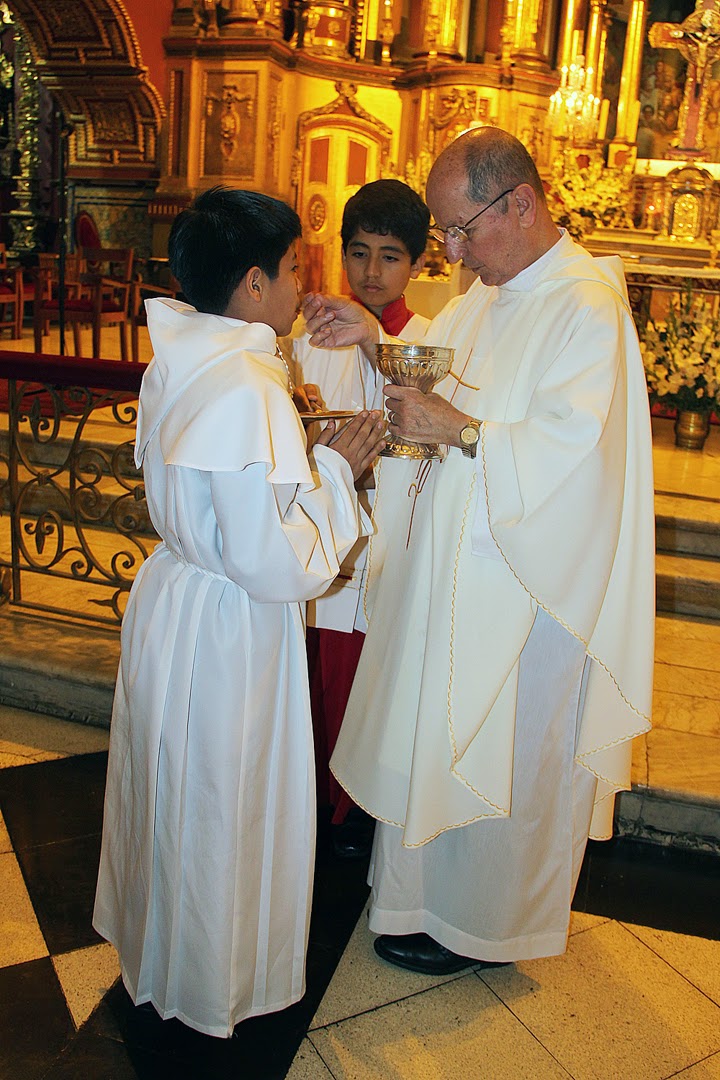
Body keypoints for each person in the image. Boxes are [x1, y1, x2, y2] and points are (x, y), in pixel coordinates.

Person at [303, 127, 655, 976]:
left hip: (527, 588)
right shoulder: (489, 291)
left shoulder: (584, 304)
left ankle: (488, 928)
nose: (453, 251)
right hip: (454, 576)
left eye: (463, 230)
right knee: (439, 740)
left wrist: (459, 431)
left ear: (521, 203)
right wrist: (369, 337)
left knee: (510, 755)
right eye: (446, 233)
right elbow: (437, 371)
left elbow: (578, 454)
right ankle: (422, 902)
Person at [92, 186, 385, 1036]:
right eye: (296, 268)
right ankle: (209, 981)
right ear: (253, 284)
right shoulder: (252, 386)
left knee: (171, 787)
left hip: (177, 596)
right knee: (223, 797)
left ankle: (162, 956)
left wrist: (307, 459)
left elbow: (223, 508)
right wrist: (338, 474)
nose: (304, 285)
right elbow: (272, 562)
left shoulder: (183, 355)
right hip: (230, 625)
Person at [281, 178, 430, 856]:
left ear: (420, 264)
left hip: (388, 540)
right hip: (321, 527)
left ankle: (357, 807)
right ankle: (310, 800)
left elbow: (428, 412)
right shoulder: (308, 340)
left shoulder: (428, 338)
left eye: (390, 256)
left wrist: (373, 339)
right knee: (314, 671)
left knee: (367, 676)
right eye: (359, 251)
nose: (371, 272)